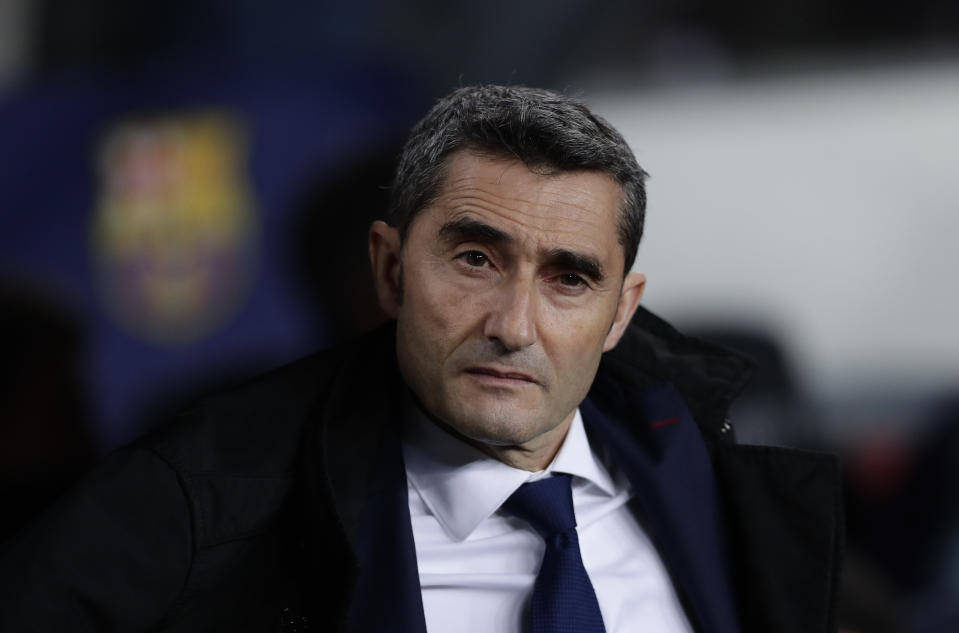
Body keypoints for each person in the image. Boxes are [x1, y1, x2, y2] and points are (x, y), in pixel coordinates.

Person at [0, 85, 843, 633]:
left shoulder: (716, 467)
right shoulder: (214, 491)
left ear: (621, 310)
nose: (514, 324)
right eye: (475, 259)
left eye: (568, 278)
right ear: (391, 270)